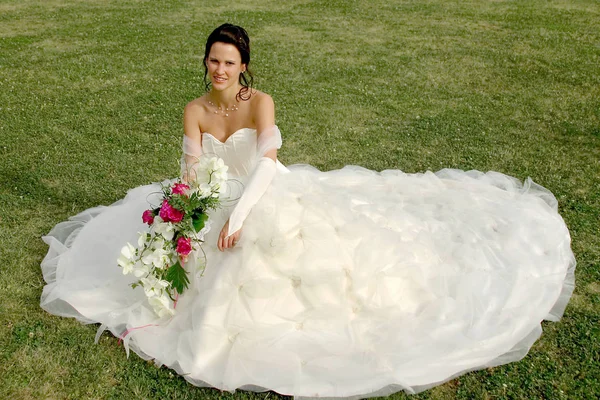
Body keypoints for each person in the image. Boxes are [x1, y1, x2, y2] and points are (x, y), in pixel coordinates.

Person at [41, 23, 576, 398]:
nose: (220, 69)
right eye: (213, 60)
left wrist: (240, 216)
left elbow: (269, 166)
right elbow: (188, 173)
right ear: (204, 62)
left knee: (265, 259)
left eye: (229, 62)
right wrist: (184, 215)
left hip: (264, 195)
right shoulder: (195, 109)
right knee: (186, 257)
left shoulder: (260, 102)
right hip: (214, 197)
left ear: (243, 66)